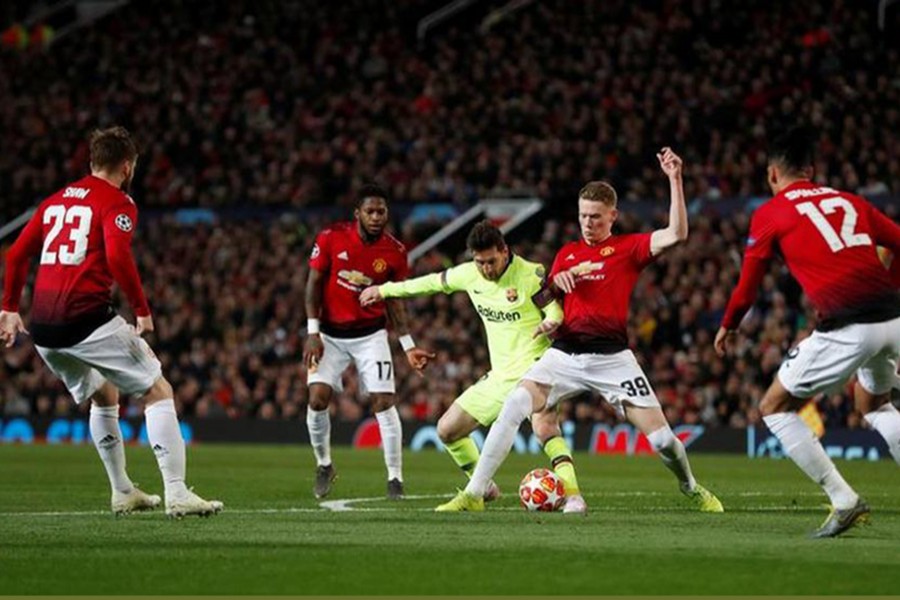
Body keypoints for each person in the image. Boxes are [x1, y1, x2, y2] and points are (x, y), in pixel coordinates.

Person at [437, 148, 723, 513]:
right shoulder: (568, 253)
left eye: (596, 217)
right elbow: (543, 295)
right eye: (583, 216)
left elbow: (677, 233)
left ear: (612, 216)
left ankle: (691, 487)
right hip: (565, 354)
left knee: (665, 440)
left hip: (613, 359)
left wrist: (675, 179)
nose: (588, 223)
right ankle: (474, 494)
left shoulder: (628, 248)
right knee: (515, 404)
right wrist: (558, 280)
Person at [0, 126, 221, 518]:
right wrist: (141, 309)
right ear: (128, 166)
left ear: (90, 162)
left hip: (45, 328)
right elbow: (119, 258)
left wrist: (10, 308)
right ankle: (177, 492)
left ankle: (122, 491)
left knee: (104, 395)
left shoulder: (52, 202)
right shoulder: (118, 202)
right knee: (157, 389)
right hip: (83, 319)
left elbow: (16, 255)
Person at [714, 127, 900, 538]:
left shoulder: (770, 213)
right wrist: (890, 289)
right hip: (893, 320)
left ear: (772, 175)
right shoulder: (851, 200)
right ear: (811, 171)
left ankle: (843, 498)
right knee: (874, 403)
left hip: (848, 325)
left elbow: (748, 286)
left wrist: (728, 325)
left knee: (774, 406)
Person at [360, 221, 586, 513]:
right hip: (500, 376)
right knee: (447, 430)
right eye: (479, 262)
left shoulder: (531, 274)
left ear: (504, 252)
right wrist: (384, 290)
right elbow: (427, 283)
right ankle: (482, 488)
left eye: (491, 261)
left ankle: (574, 497)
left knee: (545, 428)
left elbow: (553, 308)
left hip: (536, 368)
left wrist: (552, 320)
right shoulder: (468, 275)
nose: (486, 269)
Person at [303, 183, 432, 500]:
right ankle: (324, 465)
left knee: (383, 402)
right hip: (330, 335)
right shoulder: (331, 237)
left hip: (371, 335)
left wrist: (407, 345)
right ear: (357, 213)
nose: (376, 217)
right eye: (370, 211)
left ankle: (395, 480)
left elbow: (395, 300)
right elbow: (314, 284)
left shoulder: (395, 252)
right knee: (317, 398)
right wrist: (312, 332)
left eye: (381, 211)